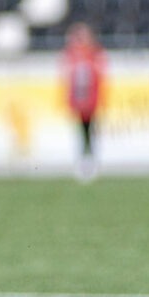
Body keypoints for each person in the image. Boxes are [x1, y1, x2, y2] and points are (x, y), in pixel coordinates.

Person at [61, 22, 106, 181]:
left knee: (91, 132)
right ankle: (82, 162)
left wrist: (98, 100)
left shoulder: (94, 54)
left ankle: (92, 161)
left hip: (90, 102)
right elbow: (67, 81)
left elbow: (99, 79)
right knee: (80, 132)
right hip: (79, 102)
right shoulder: (71, 55)